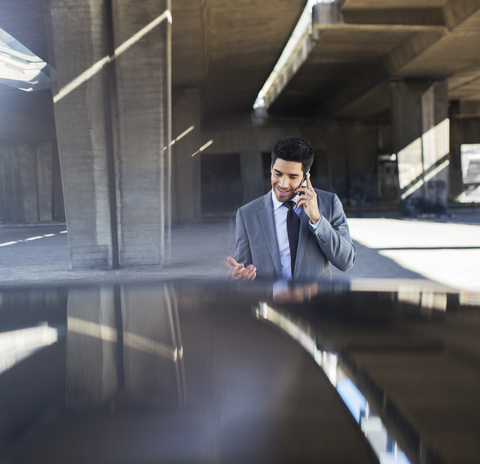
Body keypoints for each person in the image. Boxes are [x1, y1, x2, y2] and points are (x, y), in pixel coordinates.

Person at [223, 137, 356, 281]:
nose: (283, 184)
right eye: (278, 174)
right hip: (271, 302)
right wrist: (238, 277)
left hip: (316, 302)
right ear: (271, 168)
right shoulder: (247, 214)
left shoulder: (329, 203)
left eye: (292, 176)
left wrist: (317, 219)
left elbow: (346, 261)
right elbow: (242, 269)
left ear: (306, 175)